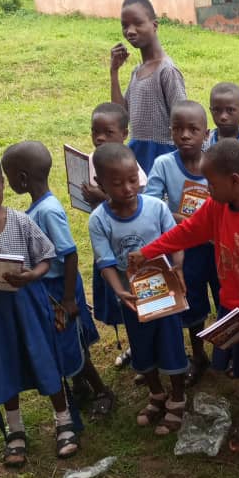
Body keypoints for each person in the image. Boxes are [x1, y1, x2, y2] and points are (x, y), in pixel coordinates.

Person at [134, 140, 239, 466]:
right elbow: (188, 231)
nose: (207, 189)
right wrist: (150, 252)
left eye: (211, 182)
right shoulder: (217, 207)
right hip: (235, 312)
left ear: (235, 180)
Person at [2, 142, 113, 419]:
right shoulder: (38, 208)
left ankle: (101, 391)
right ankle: (81, 385)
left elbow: (70, 254)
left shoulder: (48, 211)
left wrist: (67, 299)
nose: (8, 182)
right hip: (50, 290)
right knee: (62, 340)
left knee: (71, 344)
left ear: (23, 178)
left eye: (10, 175)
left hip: (60, 290)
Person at [88, 143, 187, 433]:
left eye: (133, 180)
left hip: (165, 292)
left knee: (171, 345)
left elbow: (176, 241)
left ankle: (178, 399)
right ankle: (157, 394)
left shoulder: (155, 208)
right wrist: (119, 291)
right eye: (117, 183)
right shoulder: (99, 220)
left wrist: (178, 268)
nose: (128, 188)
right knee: (143, 348)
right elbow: (105, 262)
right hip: (133, 299)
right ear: (100, 183)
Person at [0, 155, 79, 465]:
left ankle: (63, 420)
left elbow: (47, 256)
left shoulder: (20, 221)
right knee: (2, 365)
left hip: (27, 304)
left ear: (3, 185)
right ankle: (15, 430)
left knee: (44, 357)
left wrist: (31, 275)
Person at [145, 101, 219, 385]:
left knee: (224, 295)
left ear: (206, 133)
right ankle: (198, 354)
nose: (185, 135)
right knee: (193, 301)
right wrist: (187, 222)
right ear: (170, 132)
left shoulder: (215, 163)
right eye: (178, 129)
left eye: (193, 129)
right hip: (186, 251)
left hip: (217, 248)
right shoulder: (164, 164)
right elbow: (152, 203)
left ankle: (229, 351)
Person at [82, 102, 148, 367]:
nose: (99, 138)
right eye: (95, 132)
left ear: (124, 134)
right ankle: (134, 346)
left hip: (133, 250)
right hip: (109, 247)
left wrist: (104, 197)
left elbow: (137, 199)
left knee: (139, 299)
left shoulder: (129, 166)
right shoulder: (93, 159)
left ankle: (145, 347)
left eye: (107, 132)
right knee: (121, 301)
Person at [109, 0, 186, 173]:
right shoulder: (137, 71)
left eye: (137, 23)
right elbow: (121, 115)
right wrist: (114, 72)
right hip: (138, 155)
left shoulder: (167, 71)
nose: (130, 31)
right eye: (125, 25)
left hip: (162, 157)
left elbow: (184, 121)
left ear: (154, 25)